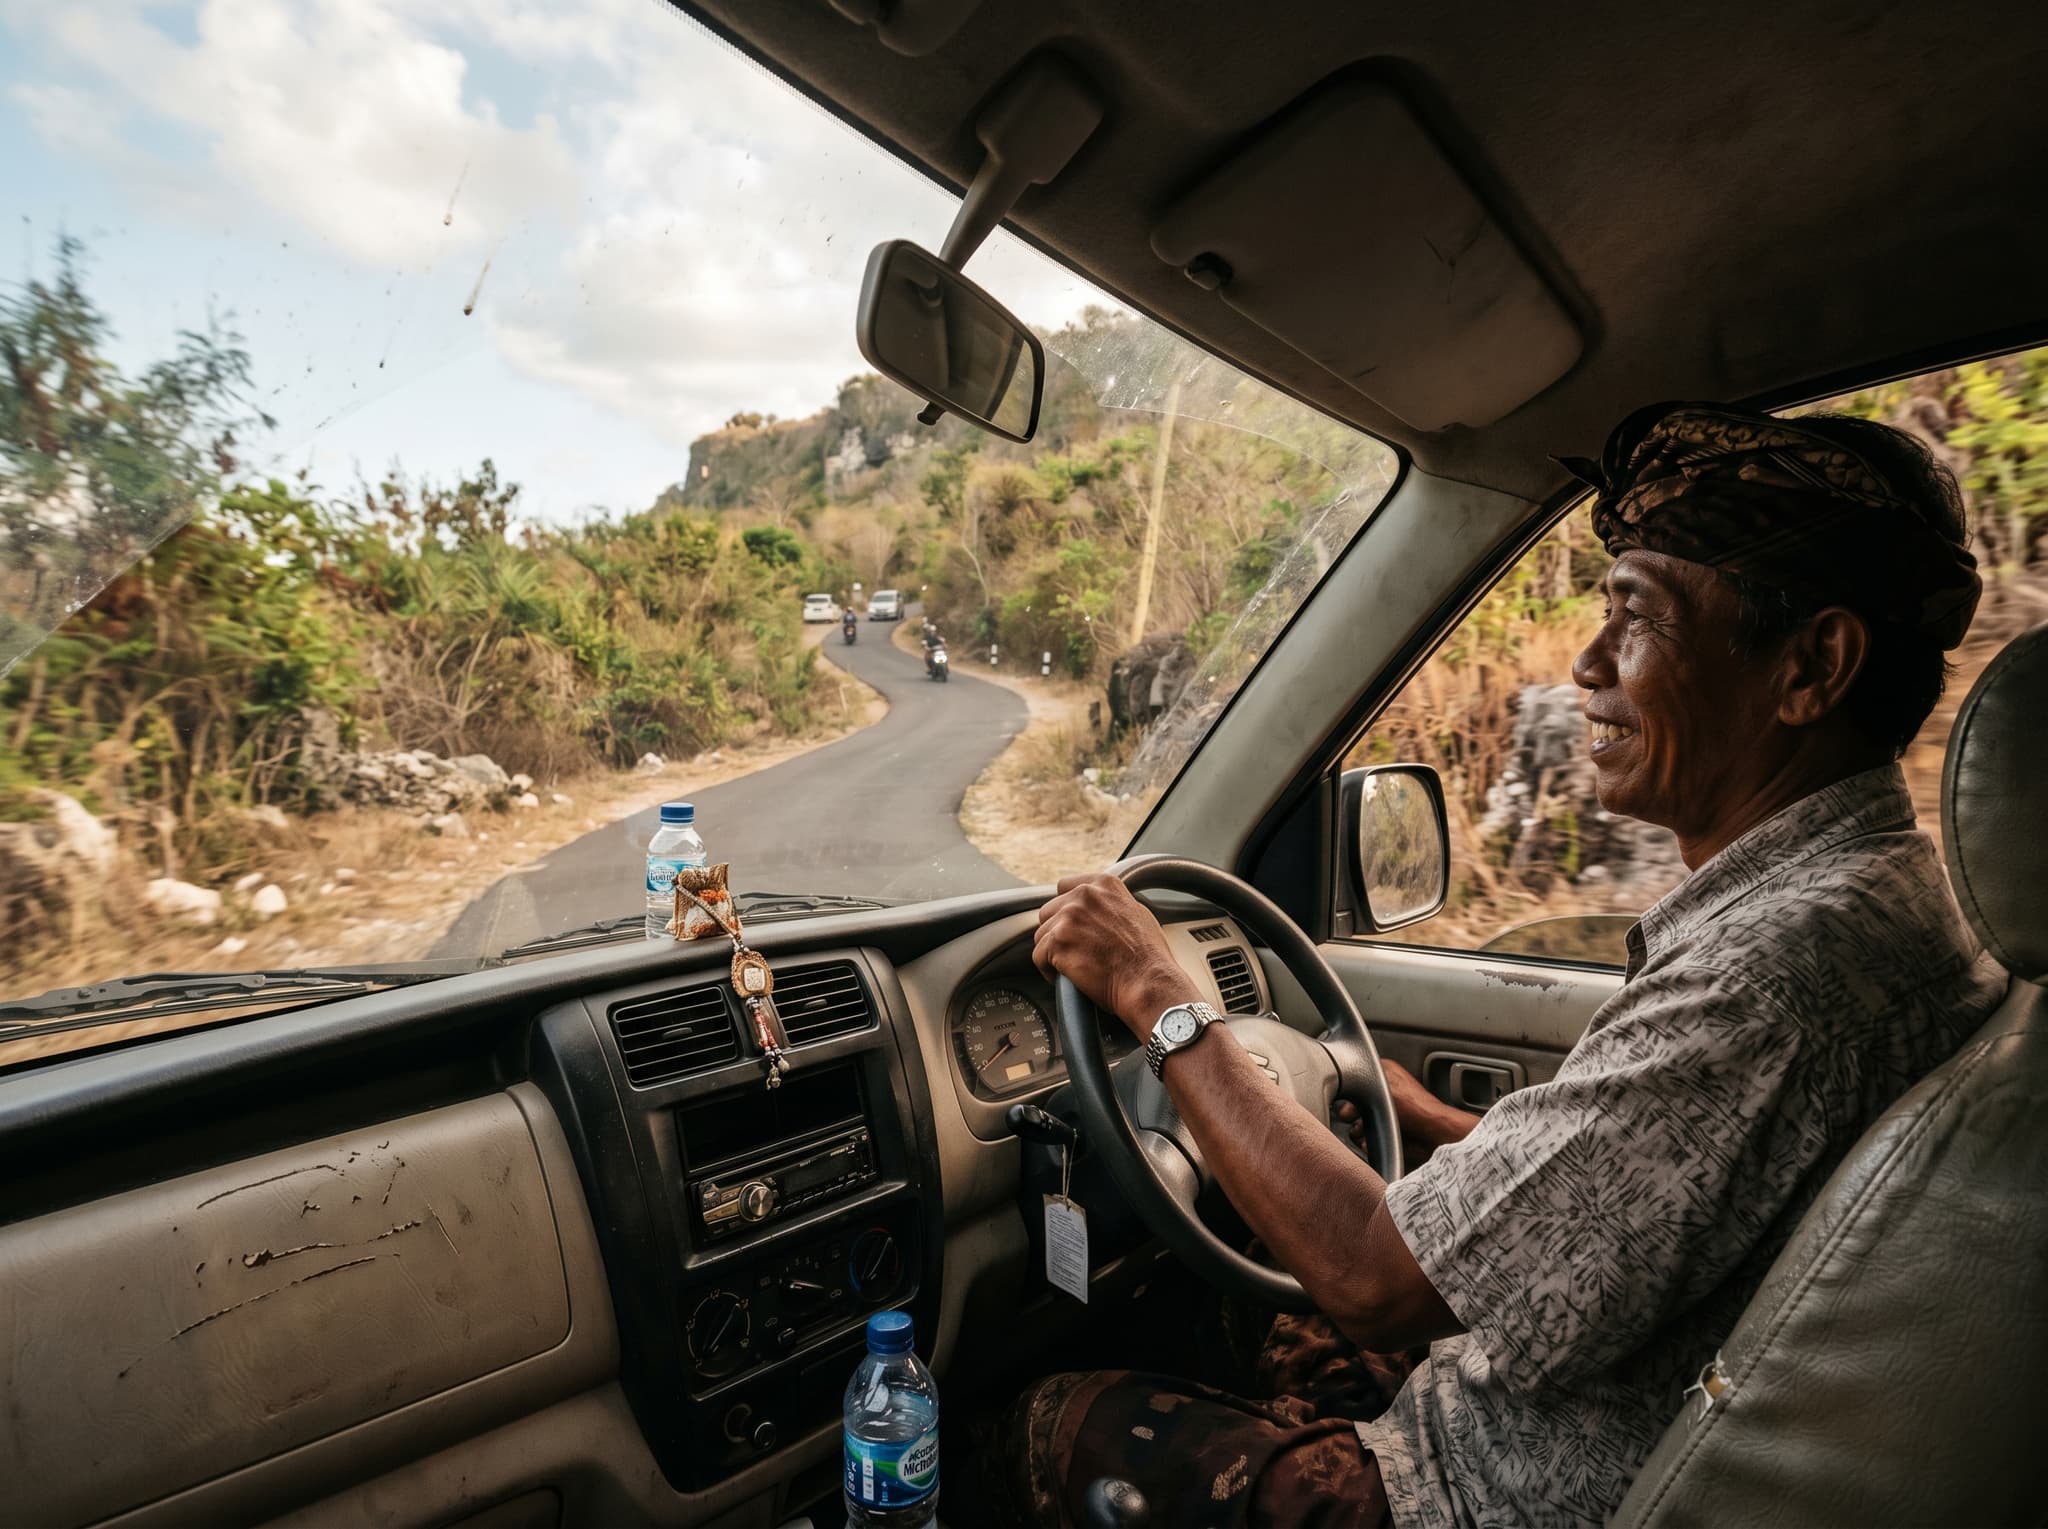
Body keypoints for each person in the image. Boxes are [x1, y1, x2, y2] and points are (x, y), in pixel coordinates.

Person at [996, 403, 2007, 1529]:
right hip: (1567, 1419)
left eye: (1637, 615)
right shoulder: (1882, 904)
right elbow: (1660, 1182)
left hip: (1478, 1493)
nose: (1584, 662)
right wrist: (1426, 1115)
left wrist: (1162, 1000)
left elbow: (1374, 1278)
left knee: (1040, 1411)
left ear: (1812, 665)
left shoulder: (1773, 975)